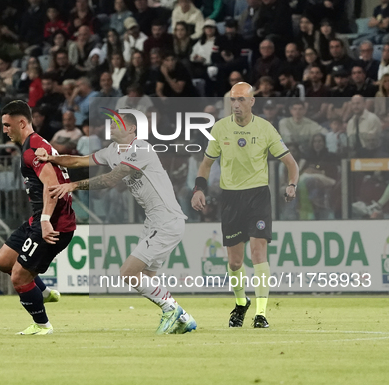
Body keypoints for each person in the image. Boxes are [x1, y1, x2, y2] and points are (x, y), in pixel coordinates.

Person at [36, 109, 197, 335]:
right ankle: (184, 317)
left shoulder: (141, 148)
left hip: (166, 221)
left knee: (128, 273)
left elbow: (111, 179)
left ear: (131, 129)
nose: (111, 126)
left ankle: (173, 311)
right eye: (110, 123)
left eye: (117, 123)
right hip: (155, 223)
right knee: (144, 280)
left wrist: (72, 186)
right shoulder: (112, 151)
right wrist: (51, 157)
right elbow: (77, 160)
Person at [191, 82, 299, 328]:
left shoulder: (265, 128)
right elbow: (206, 164)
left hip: (258, 196)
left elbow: (291, 163)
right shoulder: (220, 129)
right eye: (233, 100)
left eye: (241, 100)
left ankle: (261, 314)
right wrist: (199, 189)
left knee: (258, 254)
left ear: (252, 102)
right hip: (230, 198)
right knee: (235, 262)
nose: (236, 104)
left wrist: (292, 185)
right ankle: (241, 303)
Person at [0, 100, 75, 335]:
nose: (4, 130)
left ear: (21, 122)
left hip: (54, 222)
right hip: (39, 219)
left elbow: (52, 185)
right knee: (3, 262)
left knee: (19, 277)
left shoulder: (33, 150)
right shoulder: (34, 144)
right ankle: (45, 293)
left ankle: (42, 325)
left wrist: (46, 220)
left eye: (7, 125)